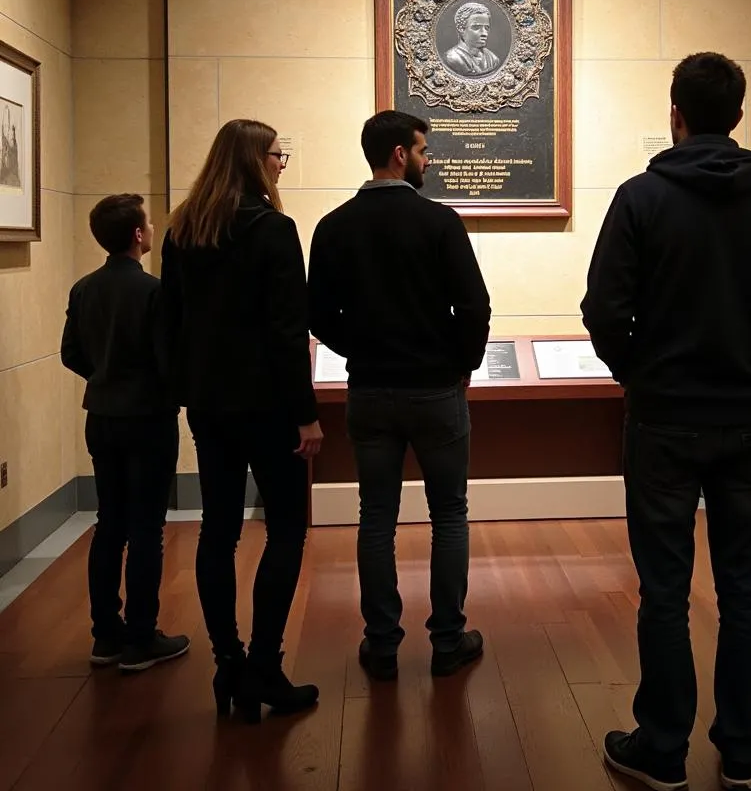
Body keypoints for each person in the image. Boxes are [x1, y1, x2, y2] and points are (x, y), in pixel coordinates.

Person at [581, 52, 751, 791]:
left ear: (674, 114)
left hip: (663, 420)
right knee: (745, 590)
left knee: (665, 590)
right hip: (750, 417)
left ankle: (663, 747)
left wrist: (643, 374)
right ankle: (742, 751)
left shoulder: (640, 198)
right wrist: (750, 361)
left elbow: (604, 308)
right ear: (738, 117)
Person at [308, 110, 491, 681]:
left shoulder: (333, 226)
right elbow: (475, 307)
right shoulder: (440, 222)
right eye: (422, 149)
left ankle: (382, 642)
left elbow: (317, 315)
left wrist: (359, 348)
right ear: (397, 156)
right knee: (450, 514)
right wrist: (461, 365)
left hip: (370, 389)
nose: (427, 159)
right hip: (435, 390)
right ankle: (447, 640)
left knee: (376, 519)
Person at [161, 119, 323, 723]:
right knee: (285, 528)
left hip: (209, 403)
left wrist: (184, 389)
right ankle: (264, 665)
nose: (283, 162)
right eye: (278, 153)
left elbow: (170, 322)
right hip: (269, 405)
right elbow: (287, 332)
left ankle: (227, 664)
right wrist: (306, 415)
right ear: (255, 160)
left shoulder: (183, 228)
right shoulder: (273, 229)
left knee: (219, 529)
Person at [60, 193, 189, 672]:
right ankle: (141, 637)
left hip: (102, 416)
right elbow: (167, 360)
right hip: (148, 418)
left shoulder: (83, 289)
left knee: (108, 524)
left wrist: (105, 375)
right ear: (138, 235)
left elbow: (71, 352)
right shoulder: (154, 292)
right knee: (146, 529)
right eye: (149, 223)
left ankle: (105, 635)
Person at [444, 1, 501, 75]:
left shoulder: (493, 59)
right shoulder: (452, 58)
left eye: (486, 28)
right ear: (461, 28)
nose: (484, 33)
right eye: (476, 27)